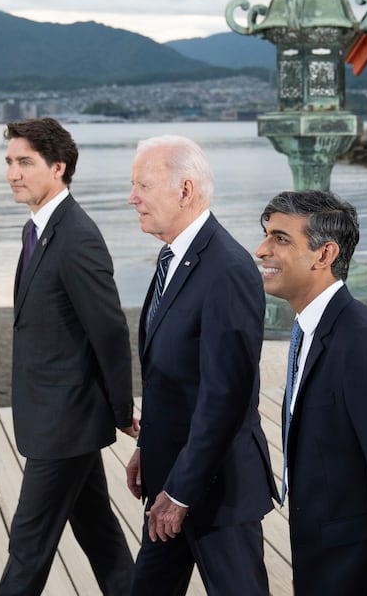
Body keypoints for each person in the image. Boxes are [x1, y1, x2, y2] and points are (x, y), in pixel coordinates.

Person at [256, 190, 367, 596]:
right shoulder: (310, 329)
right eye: (267, 236)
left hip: (363, 574)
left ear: (324, 255)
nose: (262, 249)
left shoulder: (362, 341)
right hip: (326, 564)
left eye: (280, 239)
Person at [124, 134, 277, 595]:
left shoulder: (227, 268)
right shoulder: (172, 255)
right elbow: (172, 376)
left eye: (143, 186)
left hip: (214, 488)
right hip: (170, 477)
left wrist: (181, 491)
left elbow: (225, 397)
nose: (132, 198)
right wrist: (148, 446)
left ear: (185, 190)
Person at [0, 118, 136, 595]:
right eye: (9, 162)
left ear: (58, 168)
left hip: (66, 421)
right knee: (99, 533)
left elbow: (109, 330)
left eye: (25, 162)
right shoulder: (36, 228)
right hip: (56, 415)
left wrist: (121, 408)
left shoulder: (76, 235)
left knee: (28, 545)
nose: (13, 173)